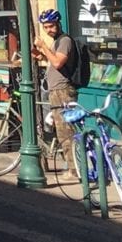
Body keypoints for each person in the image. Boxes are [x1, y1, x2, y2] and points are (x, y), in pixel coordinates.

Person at [32, 8, 79, 163]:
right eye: (45, 27)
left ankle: (73, 169)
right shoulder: (56, 42)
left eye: (51, 26)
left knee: (66, 132)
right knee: (60, 131)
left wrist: (43, 46)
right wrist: (42, 55)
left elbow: (58, 63)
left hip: (63, 91)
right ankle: (72, 165)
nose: (48, 30)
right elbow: (53, 61)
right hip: (55, 90)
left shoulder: (64, 41)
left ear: (58, 23)